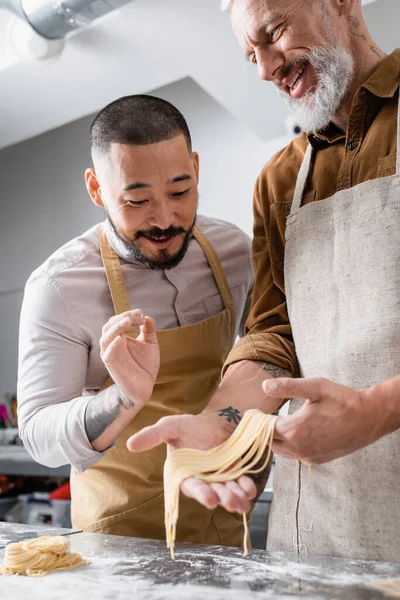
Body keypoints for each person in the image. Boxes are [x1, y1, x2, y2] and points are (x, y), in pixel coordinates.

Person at [127, 0, 400, 561]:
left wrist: (379, 410)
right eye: (250, 55)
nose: (264, 69)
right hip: (322, 529)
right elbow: (275, 333)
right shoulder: (279, 180)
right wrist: (223, 424)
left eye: (273, 34)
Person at [17, 94, 255, 545]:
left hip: (223, 508)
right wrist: (124, 397)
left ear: (197, 170)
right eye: (137, 200)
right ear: (96, 189)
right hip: (119, 534)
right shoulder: (60, 285)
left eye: (180, 192)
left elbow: (262, 352)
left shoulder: (235, 252)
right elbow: (38, 436)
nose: (164, 218)